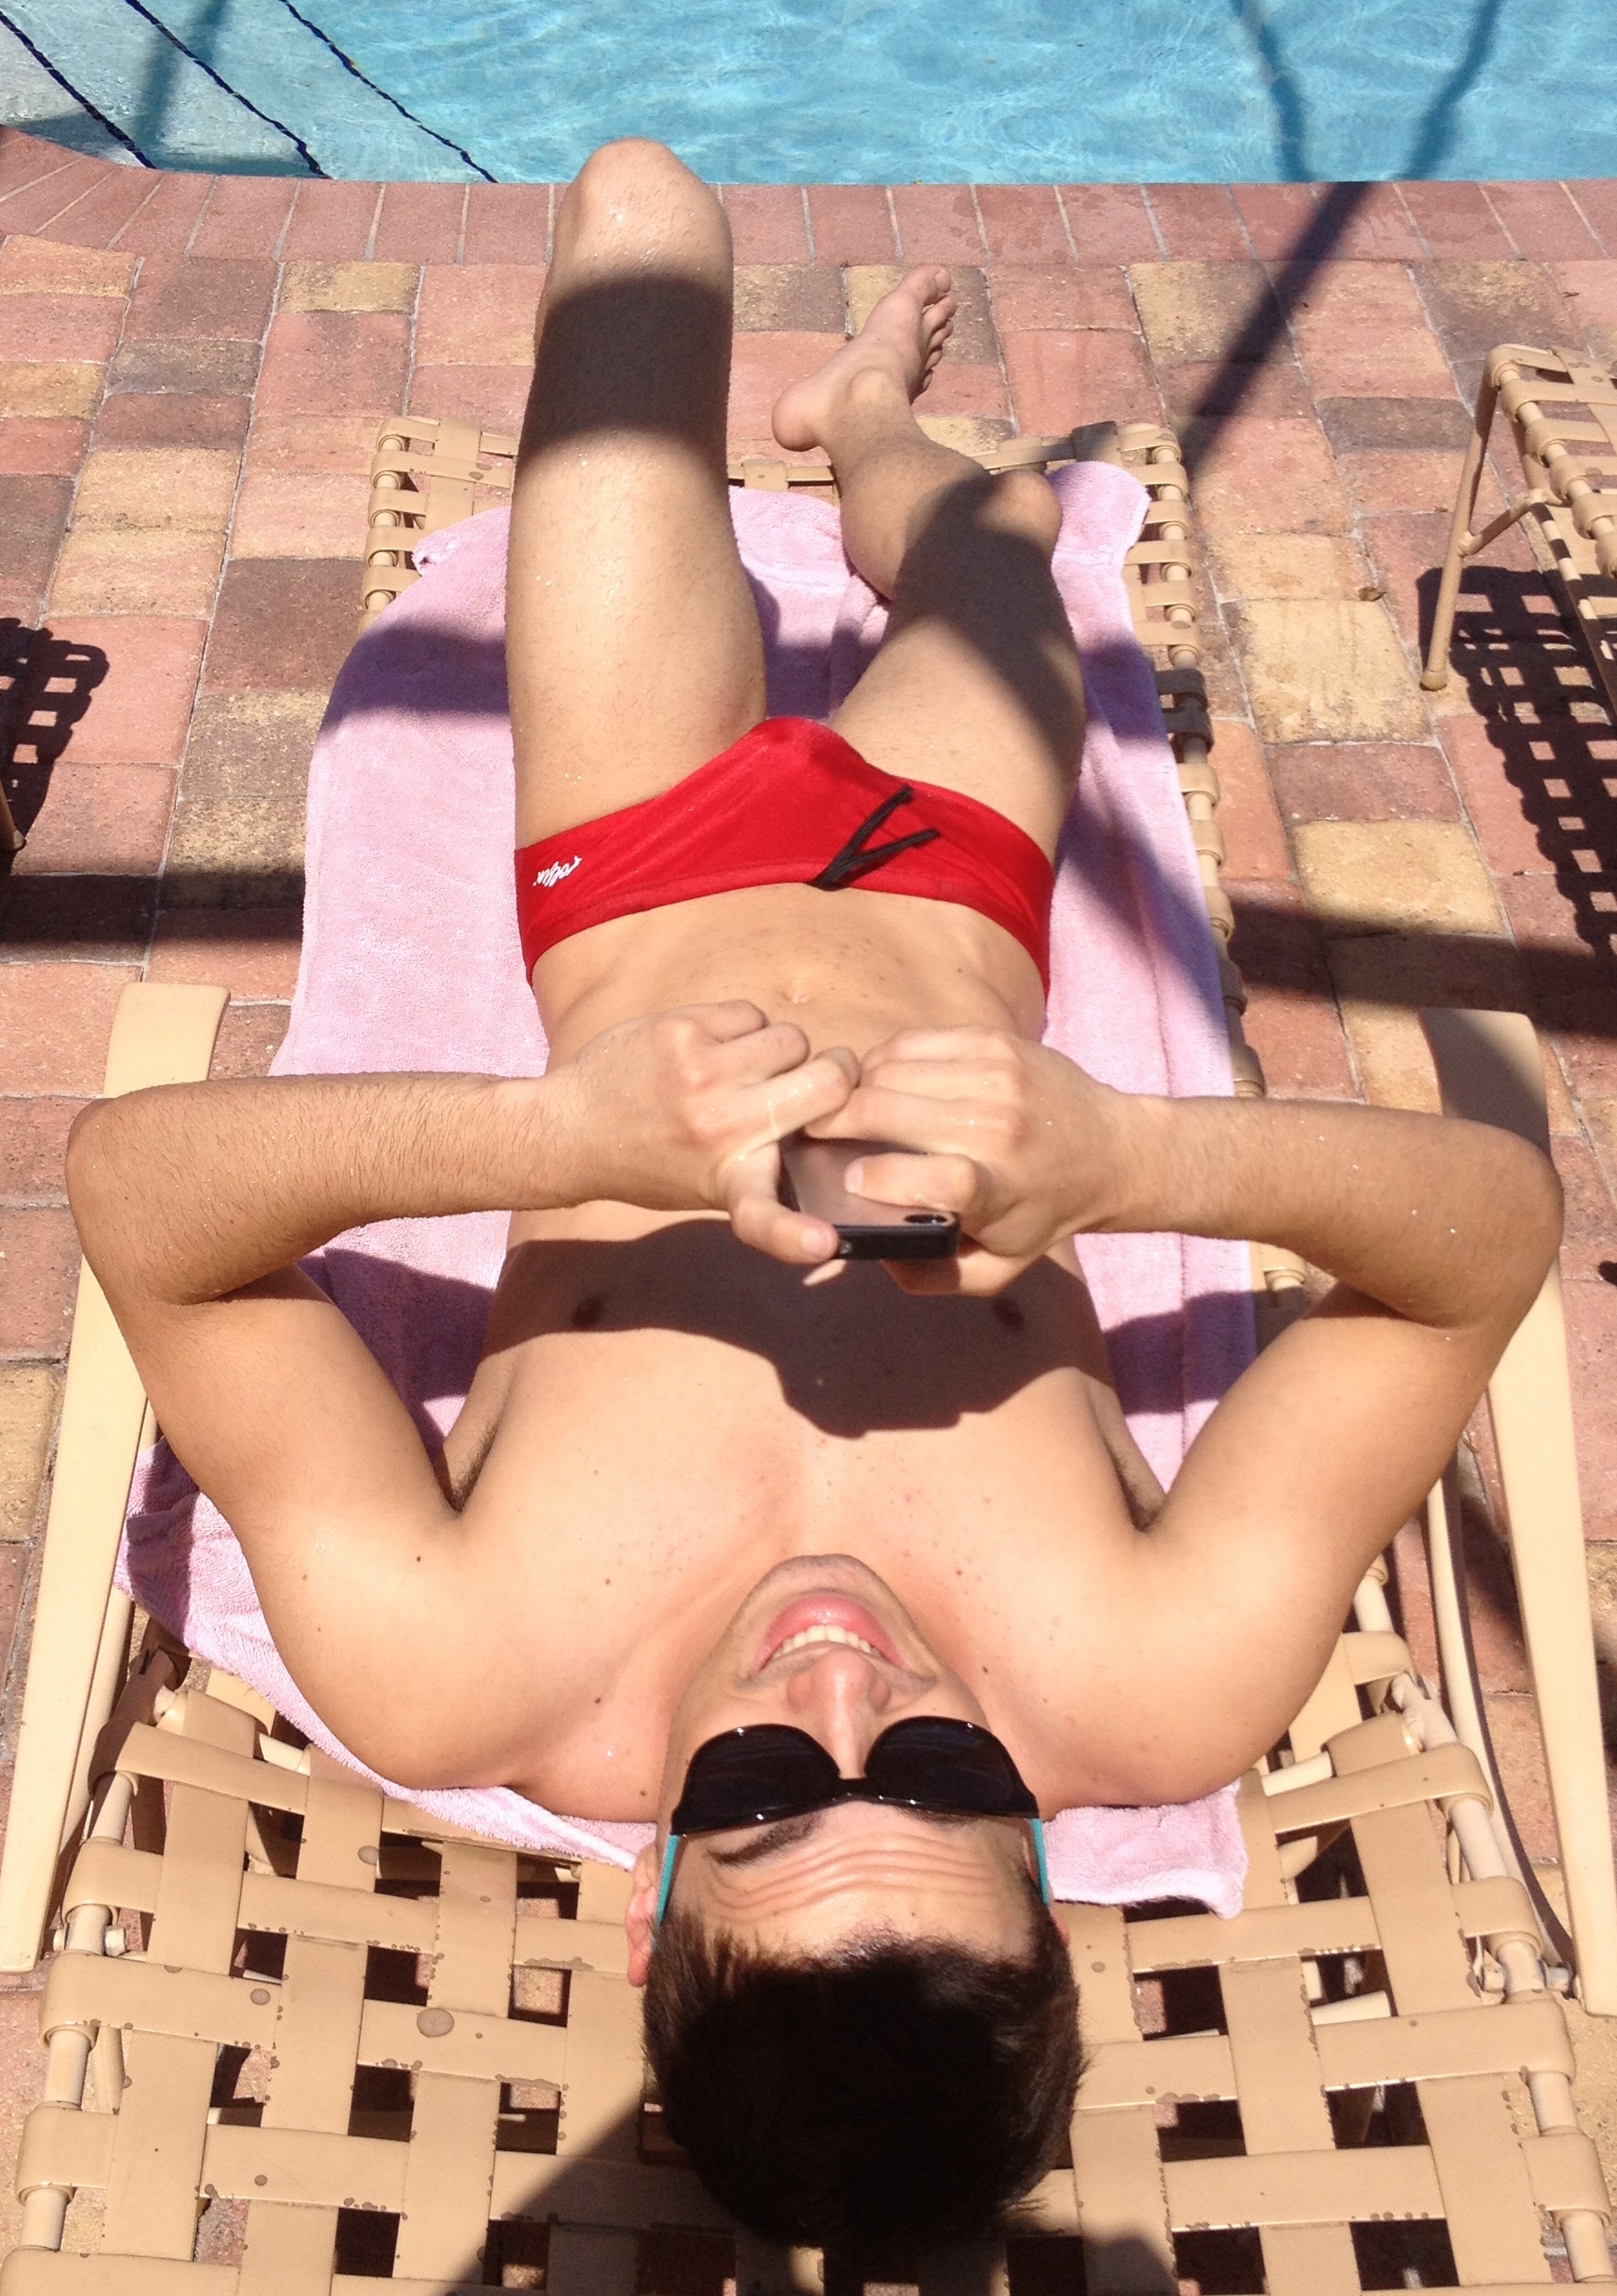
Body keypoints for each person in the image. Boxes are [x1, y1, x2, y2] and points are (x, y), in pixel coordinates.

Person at [67, 139, 1561, 2245]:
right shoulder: (1156, 1678)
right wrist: (1134, 1157)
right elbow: (1488, 1245)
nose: (841, 1677)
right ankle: (862, 420)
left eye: (763, 1793)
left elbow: (137, 1199)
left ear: (652, 1900)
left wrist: (566, 1138)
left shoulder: (458, 1662)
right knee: (996, 539)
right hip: (952, 876)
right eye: (941, 1779)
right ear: (1040, 1855)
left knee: (641, 213)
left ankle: (812, 430)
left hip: (637, 861)